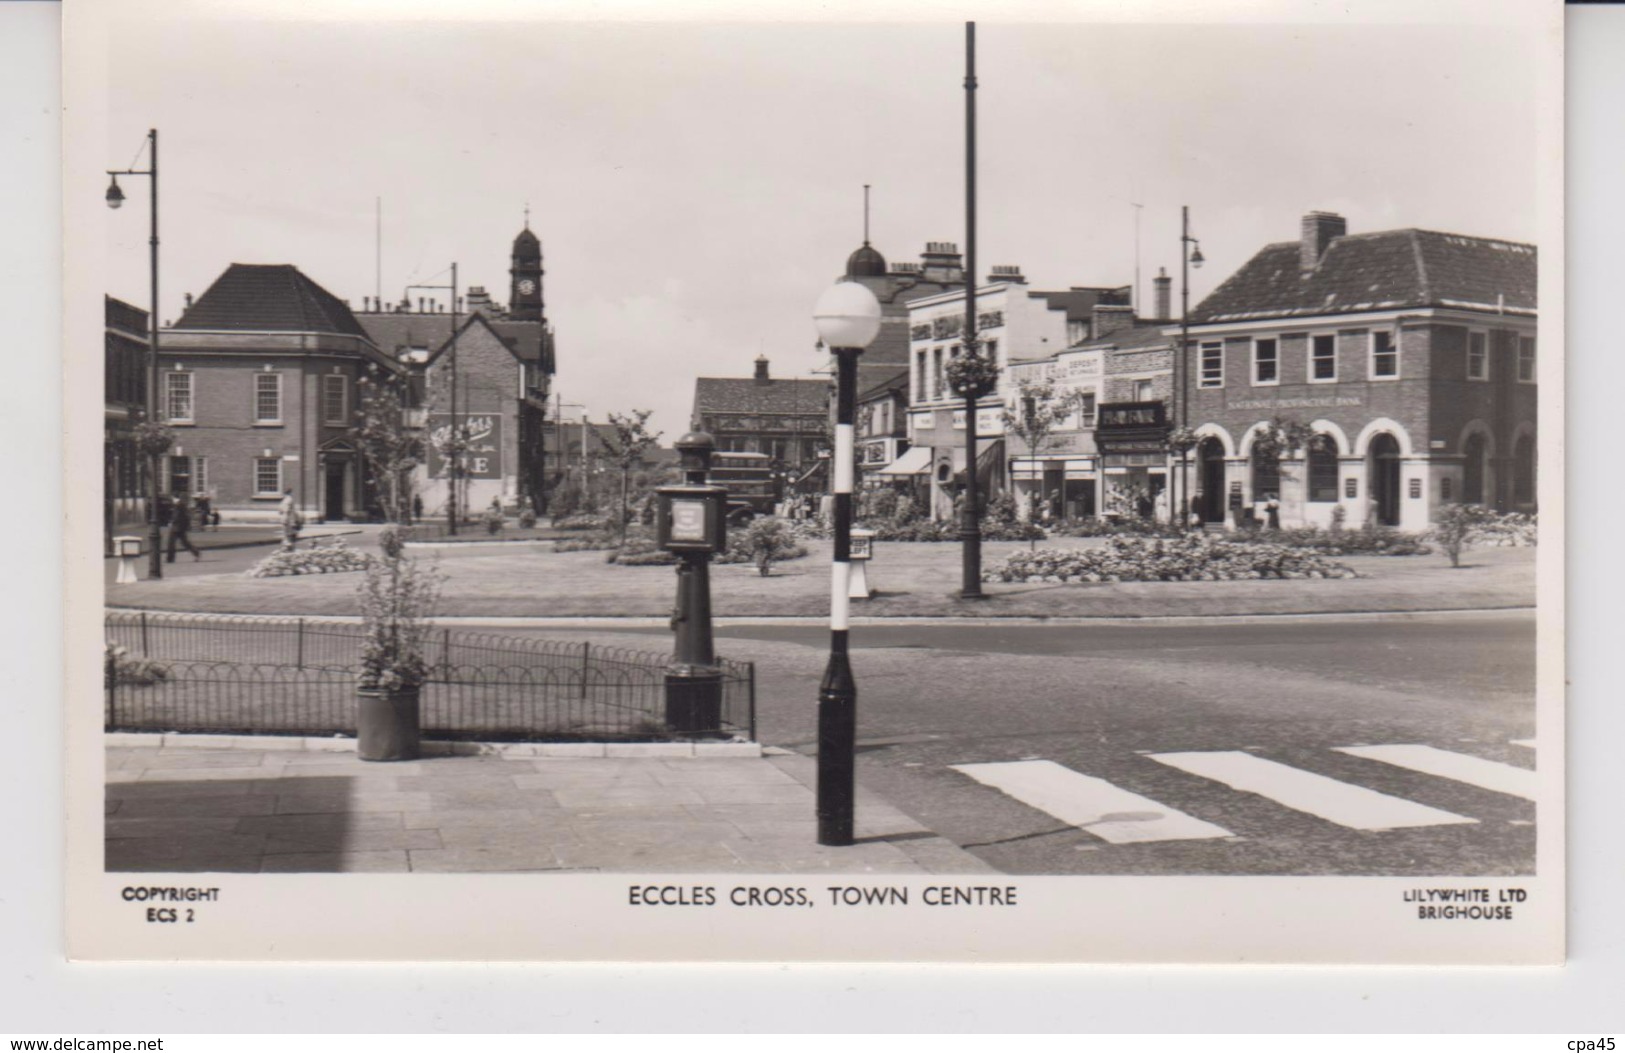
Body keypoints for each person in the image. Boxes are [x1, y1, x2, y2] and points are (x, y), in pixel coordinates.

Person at [165, 494, 201, 562]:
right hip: (180, 527)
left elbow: (176, 515)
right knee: (185, 542)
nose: (172, 500)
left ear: (175, 498)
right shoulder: (181, 505)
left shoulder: (178, 505)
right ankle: (196, 553)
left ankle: (170, 558)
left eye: (173, 499)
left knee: (171, 543)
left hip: (176, 527)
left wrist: (172, 522)